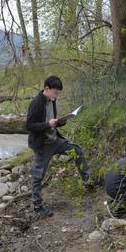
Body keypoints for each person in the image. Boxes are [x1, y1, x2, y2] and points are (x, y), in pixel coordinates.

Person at [26, 75, 91, 217]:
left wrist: (61, 121)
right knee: (38, 175)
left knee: (77, 151)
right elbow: (29, 126)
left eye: (58, 93)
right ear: (46, 89)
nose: (56, 96)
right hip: (42, 144)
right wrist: (47, 124)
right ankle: (37, 206)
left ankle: (88, 182)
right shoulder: (36, 103)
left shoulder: (52, 100)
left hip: (55, 140)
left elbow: (52, 121)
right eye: (55, 93)